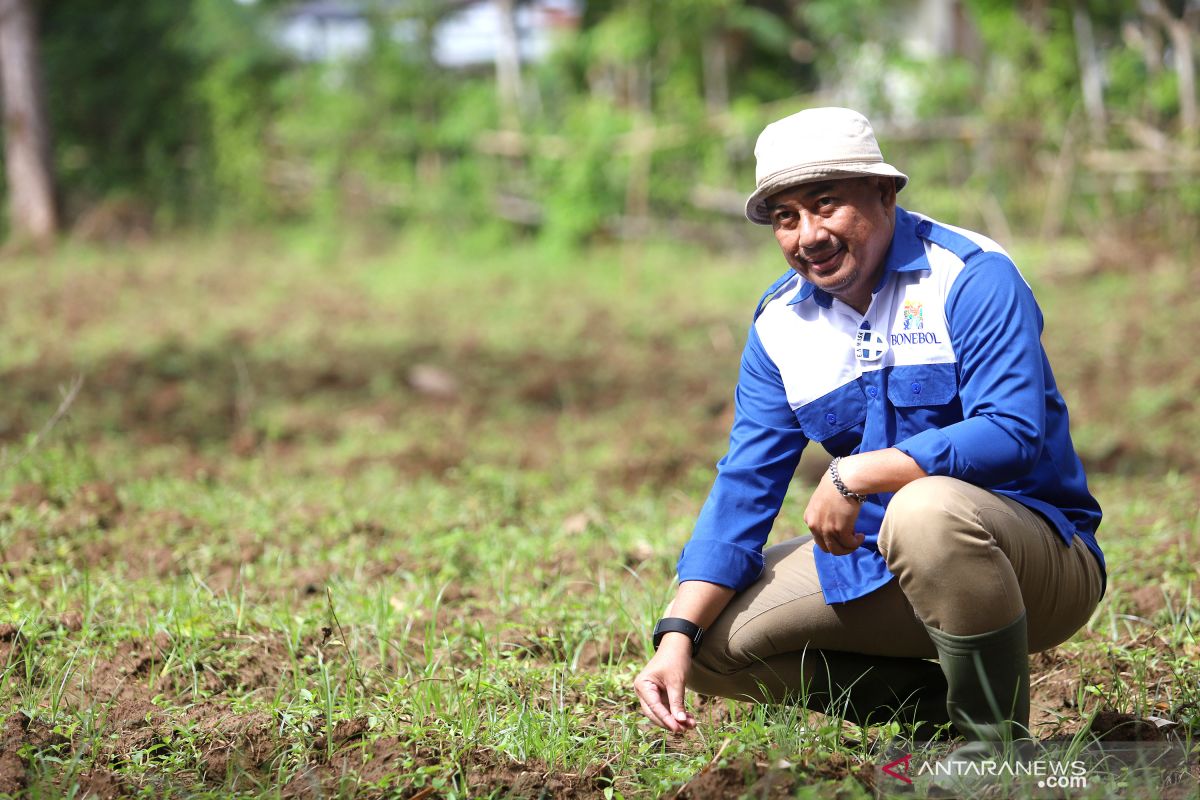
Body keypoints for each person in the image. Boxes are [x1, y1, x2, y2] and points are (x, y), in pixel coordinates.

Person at [632, 107, 1105, 767]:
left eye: (827, 205)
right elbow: (745, 482)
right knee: (709, 646)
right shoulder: (781, 325)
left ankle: (994, 750)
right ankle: (941, 713)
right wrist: (675, 634)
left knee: (925, 509)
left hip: (1037, 562)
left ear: (884, 193)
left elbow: (1013, 432)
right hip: (881, 562)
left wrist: (860, 471)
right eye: (786, 218)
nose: (809, 235)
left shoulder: (968, 276)